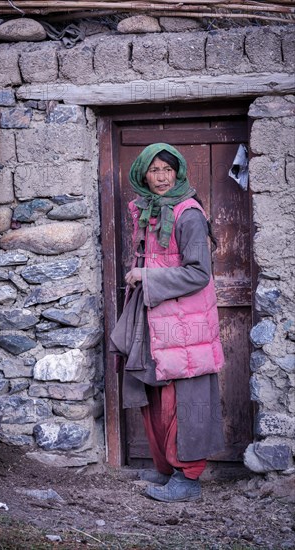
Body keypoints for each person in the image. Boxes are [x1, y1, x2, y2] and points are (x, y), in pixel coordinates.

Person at [110, 143, 225, 503]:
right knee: (156, 394)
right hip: (156, 318)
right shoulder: (148, 211)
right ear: (143, 174)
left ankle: (187, 479)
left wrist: (147, 275)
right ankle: (166, 467)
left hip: (185, 325)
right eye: (154, 170)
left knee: (183, 400)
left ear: (178, 172)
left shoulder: (188, 215)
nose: (161, 177)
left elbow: (198, 274)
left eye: (167, 169)